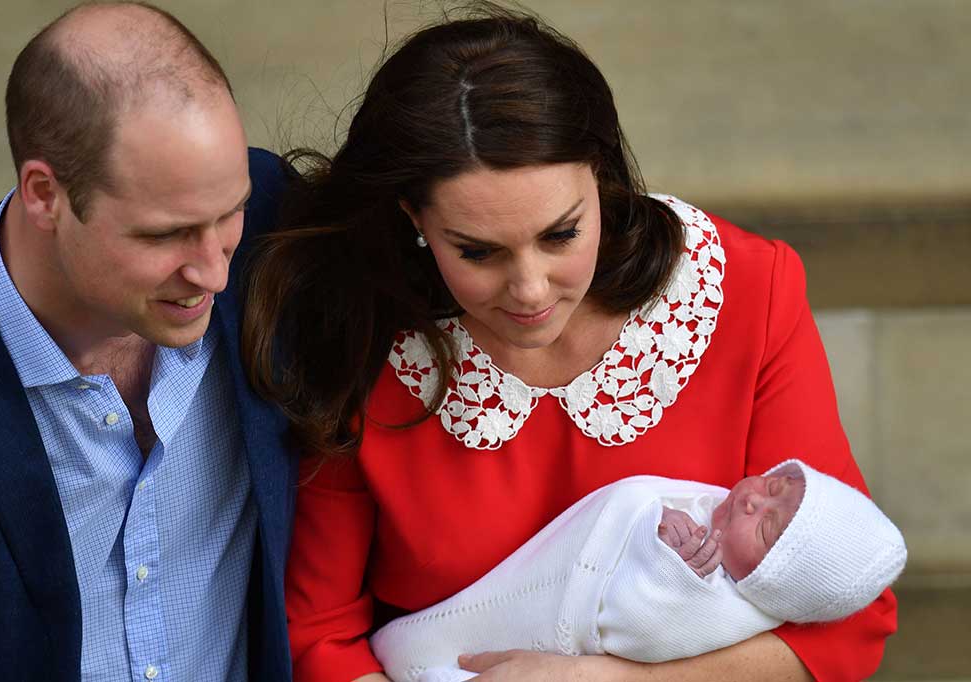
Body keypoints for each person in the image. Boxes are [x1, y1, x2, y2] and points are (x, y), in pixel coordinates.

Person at [243, 6, 898, 681]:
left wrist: (619, 681)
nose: (529, 289)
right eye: (477, 251)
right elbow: (319, 633)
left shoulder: (746, 291)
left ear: (600, 177)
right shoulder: (365, 328)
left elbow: (850, 620)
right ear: (414, 217)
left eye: (561, 234)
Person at [0, 3, 297, 680]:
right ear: (45, 194)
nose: (215, 272)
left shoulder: (277, 237)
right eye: (165, 234)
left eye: (229, 212)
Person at [369, 459, 907, 682]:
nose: (752, 504)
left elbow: (641, 629)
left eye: (767, 530)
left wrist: (668, 569)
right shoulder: (715, 509)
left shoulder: (726, 607)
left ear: (771, 585)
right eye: (772, 487)